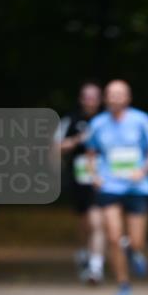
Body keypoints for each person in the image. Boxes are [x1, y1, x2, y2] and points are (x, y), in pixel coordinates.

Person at [85, 80, 148, 295]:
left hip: (137, 186)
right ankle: (123, 284)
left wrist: (144, 169)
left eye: (120, 94)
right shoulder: (98, 123)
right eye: (111, 94)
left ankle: (134, 250)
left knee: (137, 241)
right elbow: (90, 153)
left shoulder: (142, 121)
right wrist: (94, 176)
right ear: (105, 98)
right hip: (110, 186)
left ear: (128, 98)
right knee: (113, 237)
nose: (115, 98)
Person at [55, 82, 104, 283]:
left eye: (94, 97)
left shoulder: (107, 120)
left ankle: (95, 266)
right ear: (81, 99)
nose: (90, 101)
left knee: (97, 221)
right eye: (87, 97)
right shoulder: (70, 120)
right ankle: (85, 252)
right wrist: (78, 140)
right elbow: (57, 147)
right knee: (85, 222)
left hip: (102, 179)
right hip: (79, 178)